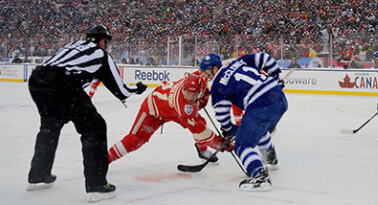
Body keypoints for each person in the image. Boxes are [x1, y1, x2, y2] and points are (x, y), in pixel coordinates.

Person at [27, 25, 148, 203]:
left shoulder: (73, 45)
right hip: (64, 83)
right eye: (106, 43)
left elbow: (57, 68)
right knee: (95, 128)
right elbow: (121, 91)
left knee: (49, 127)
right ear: (102, 41)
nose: (107, 46)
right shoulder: (101, 54)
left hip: (38, 80)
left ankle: (38, 176)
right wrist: (137, 88)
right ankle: (97, 185)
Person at [107, 69, 233, 165]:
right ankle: (104, 159)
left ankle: (202, 150)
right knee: (136, 140)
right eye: (187, 93)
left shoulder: (199, 79)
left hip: (170, 109)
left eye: (193, 94)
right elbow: (200, 131)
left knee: (199, 122)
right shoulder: (184, 108)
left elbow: (206, 72)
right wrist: (220, 145)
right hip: (154, 110)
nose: (189, 98)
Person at [204, 52, 288, 191]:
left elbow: (221, 112)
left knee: (242, 145)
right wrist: (274, 77)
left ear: (214, 68)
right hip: (280, 99)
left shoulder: (218, 84)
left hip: (261, 106)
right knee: (258, 128)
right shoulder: (239, 62)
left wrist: (229, 129)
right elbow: (264, 57)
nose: (207, 77)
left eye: (207, 73)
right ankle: (269, 156)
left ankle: (260, 176)